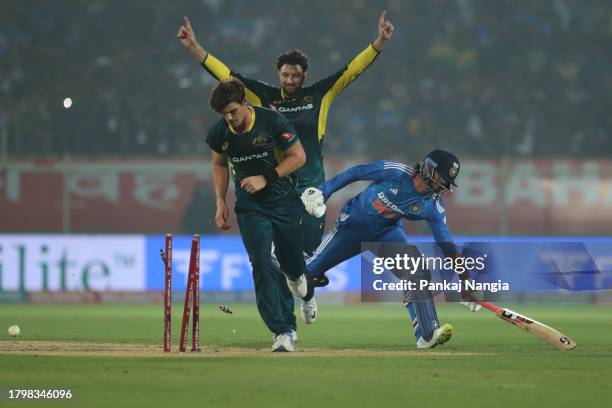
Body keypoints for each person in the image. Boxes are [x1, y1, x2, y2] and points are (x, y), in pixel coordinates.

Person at [178, 12, 394, 323]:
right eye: (285, 75)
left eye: (295, 75)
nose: (290, 80)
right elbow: (226, 75)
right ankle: (286, 317)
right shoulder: (263, 97)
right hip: (276, 187)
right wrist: (194, 48)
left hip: (310, 188)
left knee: (304, 260)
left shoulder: (319, 94)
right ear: (277, 74)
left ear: (305, 76)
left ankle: (306, 293)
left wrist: (380, 42)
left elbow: (352, 70)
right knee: (275, 259)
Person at [299, 149, 478, 348]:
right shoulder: (396, 172)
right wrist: (324, 191)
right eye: (442, 179)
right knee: (303, 276)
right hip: (351, 226)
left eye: (447, 183)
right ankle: (304, 290)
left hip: (385, 234)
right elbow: (355, 172)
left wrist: (465, 280)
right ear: (428, 167)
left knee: (415, 270)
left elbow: (447, 247)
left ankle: (427, 334)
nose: (443, 186)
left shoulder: (433, 206)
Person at [206, 79, 308, 352]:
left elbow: (298, 156)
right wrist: (219, 201)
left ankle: (298, 279)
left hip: (285, 201)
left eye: (233, 112)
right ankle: (282, 330)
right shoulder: (220, 133)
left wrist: (266, 177)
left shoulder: (273, 122)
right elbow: (218, 163)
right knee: (261, 261)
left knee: (291, 267)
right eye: (224, 114)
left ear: (245, 104)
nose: (229, 119)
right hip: (251, 206)